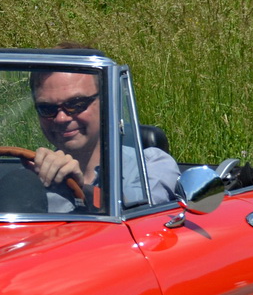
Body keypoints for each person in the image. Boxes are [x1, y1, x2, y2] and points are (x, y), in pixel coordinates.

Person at [28, 65, 180, 208]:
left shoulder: (150, 165)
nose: (61, 118)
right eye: (46, 108)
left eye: (76, 104)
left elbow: (137, 213)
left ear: (106, 102)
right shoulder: (30, 180)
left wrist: (81, 189)